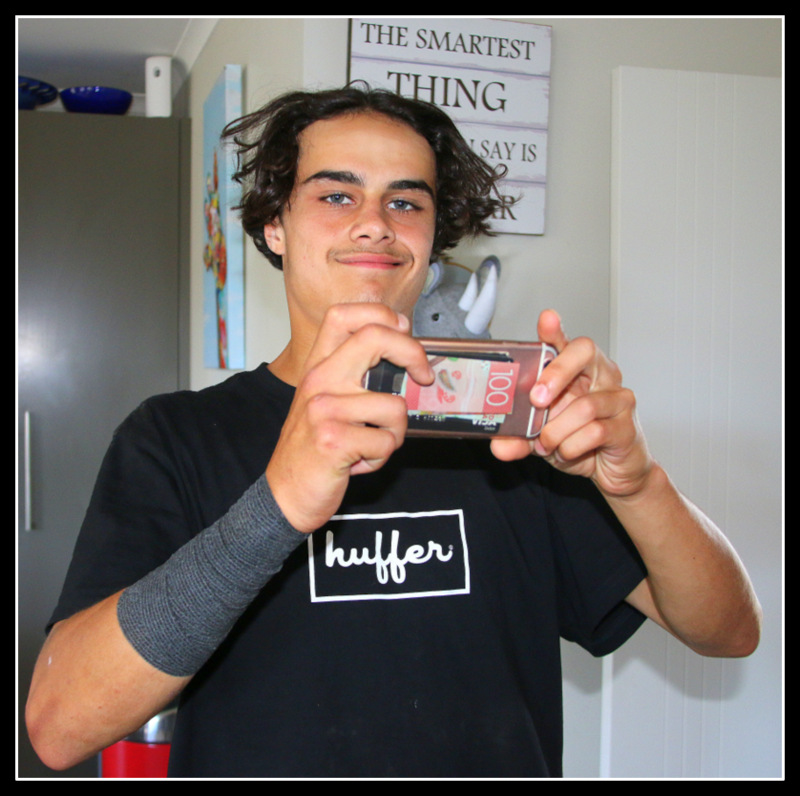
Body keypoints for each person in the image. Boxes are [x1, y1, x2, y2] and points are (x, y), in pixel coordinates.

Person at [26, 85, 761, 778]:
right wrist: (276, 506)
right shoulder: (175, 437)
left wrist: (638, 484)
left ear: (434, 237)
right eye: (336, 195)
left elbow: (729, 632)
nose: (375, 221)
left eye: (406, 201)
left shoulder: (516, 431)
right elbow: (60, 727)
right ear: (275, 224)